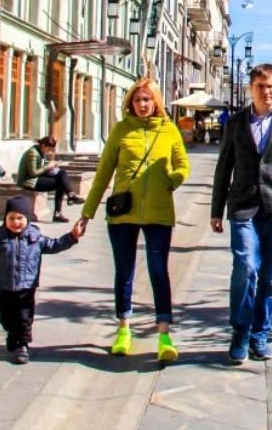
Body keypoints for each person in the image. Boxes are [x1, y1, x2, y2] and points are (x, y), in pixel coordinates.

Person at [78, 77, 190, 361]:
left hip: (159, 212)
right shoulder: (121, 130)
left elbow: (183, 164)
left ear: (156, 102)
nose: (142, 105)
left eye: (147, 100)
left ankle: (164, 333)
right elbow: (104, 173)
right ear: (131, 103)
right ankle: (124, 328)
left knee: (157, 270)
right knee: (124, 271)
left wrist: (172, 180)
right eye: (138, 100)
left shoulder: (169, 130)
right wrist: (86, 213)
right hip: (123, 213)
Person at [211, 63, 272, 364]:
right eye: (260, 87)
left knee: (270, 276)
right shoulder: (236, 122)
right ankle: (240, 332)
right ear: (250, 89)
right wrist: (217, 209)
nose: (266, 92)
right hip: (242, 205)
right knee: (245, 267)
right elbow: (223, 166)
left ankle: (260, 335)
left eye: (271, 87)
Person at [0, 195, 84, 364]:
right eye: (11, 218)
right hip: (5, 287)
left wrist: (72, 237)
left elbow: (55, 245)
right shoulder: (0, 237)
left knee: (24, 318)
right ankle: (13, 335)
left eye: (20, 218)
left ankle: (23, 345)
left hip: (26, 287)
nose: (16, 222)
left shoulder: (35, 237)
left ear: (27, 219)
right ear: (5, 219)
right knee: (5, 316)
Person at [16, 136, 84, 223]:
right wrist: (48, 166)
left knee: (61, 173)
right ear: (43, 145)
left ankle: (70, 195)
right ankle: (60, 210)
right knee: (60, 184)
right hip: (29, 181)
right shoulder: (32, 153)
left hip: (36, 178)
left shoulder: (40, 152)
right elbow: (33, 173)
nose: (49, 152)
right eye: (48, 149)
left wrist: (52, 168)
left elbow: (40, 168)